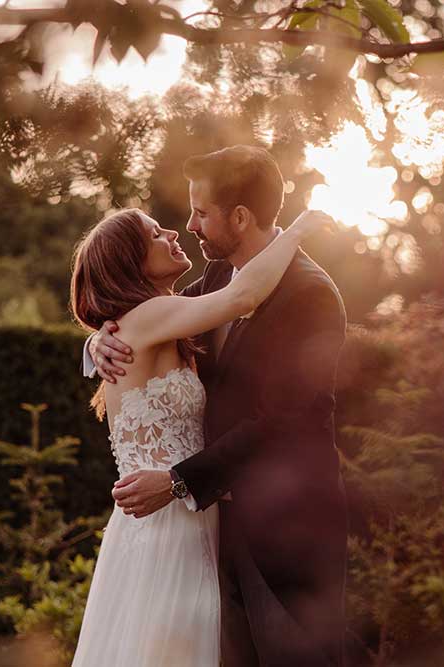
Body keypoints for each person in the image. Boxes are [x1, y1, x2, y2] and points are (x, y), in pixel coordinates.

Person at [84, 145, 349, 666]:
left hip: (283, 531)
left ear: (241, 217)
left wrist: (181, 479)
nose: (188, 226)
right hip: (206, 530)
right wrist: (95, 344)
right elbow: (148, 328)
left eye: (200, 213)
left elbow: (282, 419)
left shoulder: (310, 294)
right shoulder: (213, 283)